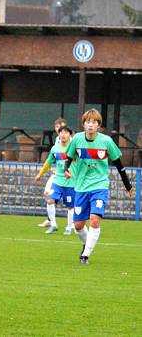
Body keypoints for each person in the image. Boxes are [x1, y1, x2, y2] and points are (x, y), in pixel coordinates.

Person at [63, 109, 132, 264]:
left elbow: (119, 165)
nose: (91, 125)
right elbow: (69, 157)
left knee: (94, 220)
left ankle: (85, 255)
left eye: (94, 122)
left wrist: (127, 185)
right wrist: (66, 169)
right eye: (88, 122)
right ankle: (87, 245)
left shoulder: (107, 141)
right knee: (78, 225)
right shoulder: (77, 140)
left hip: (99, 186)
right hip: (81, 187)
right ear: (84, 124)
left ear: (99, 125)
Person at [34, 126, 77, 235]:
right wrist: (40, 174)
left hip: (71, 183)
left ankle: (69, 227)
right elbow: (48, 162)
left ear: (70, 135)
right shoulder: (55, 149)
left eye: (65, 132)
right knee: (50, 200)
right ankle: (53, 224)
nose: (63, 135)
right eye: (61, 132)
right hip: (58, 181)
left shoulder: (75, 149)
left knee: (70, 206)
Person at [38, 117, 67, 228]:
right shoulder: (57, 140)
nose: (59, 129)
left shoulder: (71, 141)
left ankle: (72, 224)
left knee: (71, 202)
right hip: (57, 174)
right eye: (57, 127)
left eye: (62, 127)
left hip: (67, 175)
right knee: (47, 194)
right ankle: (51, 220)